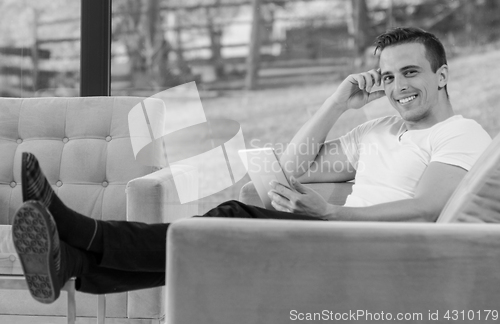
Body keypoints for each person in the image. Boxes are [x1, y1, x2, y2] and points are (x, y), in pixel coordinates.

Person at [12, 27, 491, 304]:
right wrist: (337, 103)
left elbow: (428, 209)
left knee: (230, 222)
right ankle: (75, 264)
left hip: (373, 250)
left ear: (442, 75)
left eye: (411, 72)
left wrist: (330, 215)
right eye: (389, 76)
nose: (398, 86)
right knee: (221, 237)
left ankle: (82, 234)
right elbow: (293, 168)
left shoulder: (461, 133)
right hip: (342, 237)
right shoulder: (376, 131)